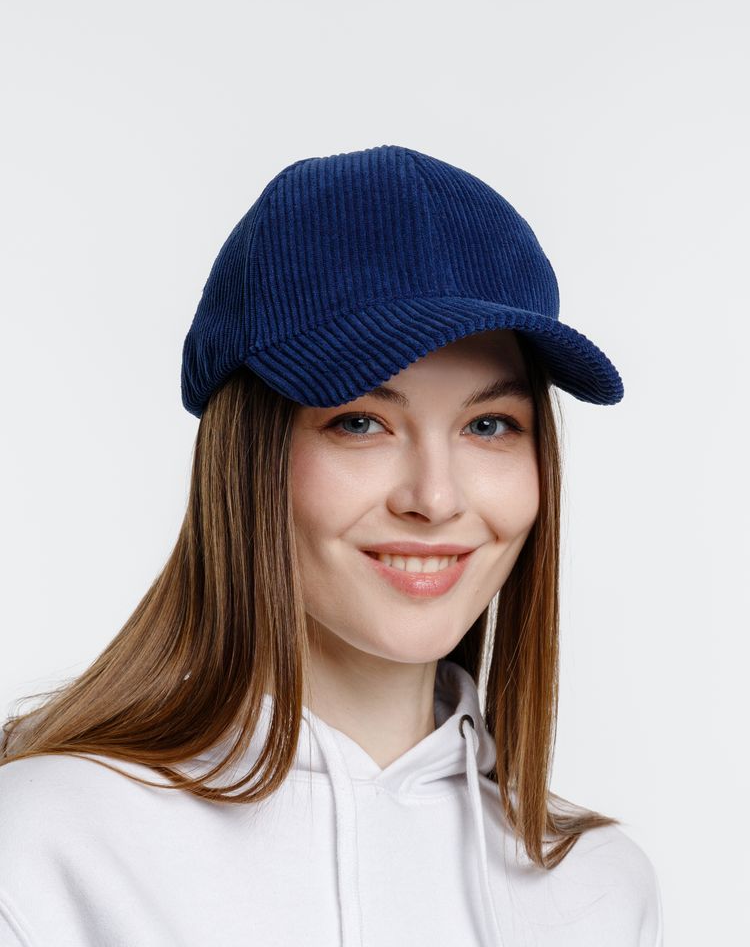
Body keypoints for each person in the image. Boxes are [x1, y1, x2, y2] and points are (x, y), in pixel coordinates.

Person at [0, 144, 663, 946]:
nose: (435, 499)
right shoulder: (47, 846)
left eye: (489, 425)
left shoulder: (595, 888)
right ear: (249, 458)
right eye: (360, 423)